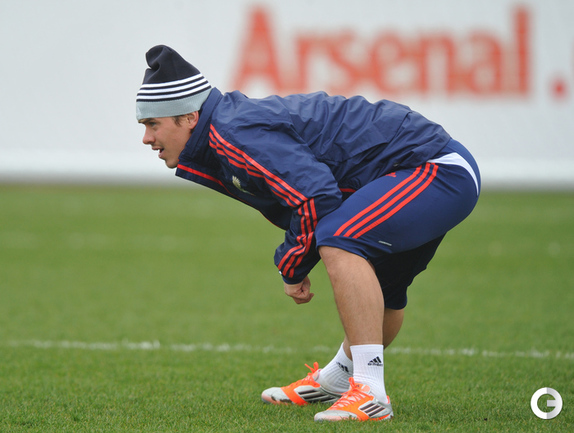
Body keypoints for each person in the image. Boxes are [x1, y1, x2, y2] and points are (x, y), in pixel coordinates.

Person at [136, 45, 480, 422]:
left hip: (436, 168)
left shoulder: (233, 130)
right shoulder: (227, 125)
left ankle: (370, 392)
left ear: (189, 116)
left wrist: (292, 265)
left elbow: (315, 196)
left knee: (339, 237)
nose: (147, 138)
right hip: (424, 167)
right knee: (384, 290)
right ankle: (339, 378)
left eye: (153, 124)